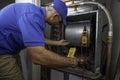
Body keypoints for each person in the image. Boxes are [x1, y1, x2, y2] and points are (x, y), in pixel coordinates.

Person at [0, 0, 78, 80]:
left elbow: (35, 38)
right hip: (2, 53)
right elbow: (38, 57)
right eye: (60, 21)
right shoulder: (32, 16)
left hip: (10, 51)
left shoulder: (35, 14)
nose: (58, 23)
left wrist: (58, 43)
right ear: (55, 16)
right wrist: (70, 62)